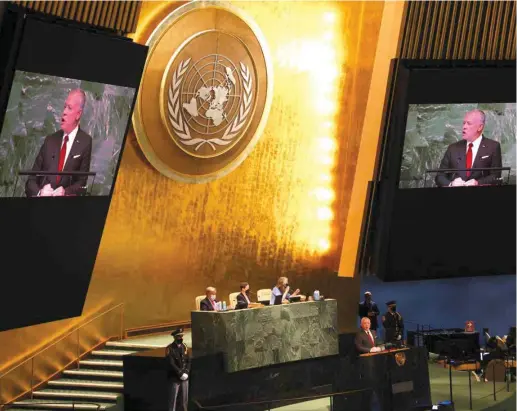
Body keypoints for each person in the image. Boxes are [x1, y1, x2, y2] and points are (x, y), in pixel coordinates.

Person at [25, 89, 93, 197]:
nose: (64, 112)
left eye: (69, 108)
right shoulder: (50, 140)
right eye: (64, 107)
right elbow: (31, 181)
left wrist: (65, 192)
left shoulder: (86, 142)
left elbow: (81, 183)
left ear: (78, 114)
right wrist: (40, 193)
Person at [435, 109, 502, 187]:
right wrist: (451, 184)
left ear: (480, 127)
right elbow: (440, 176)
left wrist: (478, 183)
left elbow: (496, 176)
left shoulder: (493, 147)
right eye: (464, 123)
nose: (464, 127)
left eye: (469, 124)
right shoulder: (452, 148)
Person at [166, 328, 190, 411]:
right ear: (175, 337)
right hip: (175, 377)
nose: (181, 338)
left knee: (184, 400)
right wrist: (180, 373)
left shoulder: (184, 346)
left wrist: (186, 371)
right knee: (173, 400)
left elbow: (188, 361)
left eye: (182, 336)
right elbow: (171, 363)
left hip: (185, 377)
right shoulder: (170, 348)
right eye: (179, 336)